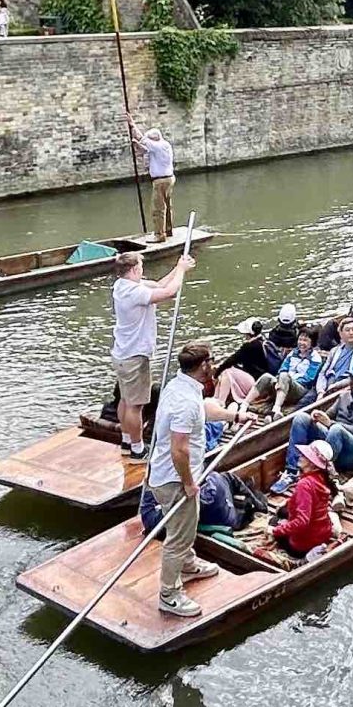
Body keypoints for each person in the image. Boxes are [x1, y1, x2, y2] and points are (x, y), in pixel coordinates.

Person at [150, 342, 223, 617]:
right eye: (212, 361)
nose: (214, 365)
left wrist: (234, 415)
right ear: (203, 365)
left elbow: (202, 412)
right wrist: (189, 483)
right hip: (174, 480)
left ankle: (189, 565)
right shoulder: (185, 402)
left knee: (186, 527)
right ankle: (168, 594)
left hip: (165, 475)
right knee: (179, 537)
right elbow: (178, 448)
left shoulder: (178, 386)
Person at [111, 243, 195, 456]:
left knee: (125, 399)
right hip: (134, 356)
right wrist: (183, 272)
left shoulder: (121, 285)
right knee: (136, 405)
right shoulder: (134, 292)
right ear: (134, 269)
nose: (142, 270)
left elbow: (158, 285)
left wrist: (178, 267)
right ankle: (137, 449)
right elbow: (169, 292)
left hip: (122, 353)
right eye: (140, 266)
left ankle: (126, 440)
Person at [286, 362, 353, 476]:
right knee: (301, 418)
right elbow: (329, 415)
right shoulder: (345, 395)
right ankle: (292, 470)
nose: (351, 381)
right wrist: (318, 416)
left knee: (336, 429)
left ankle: (322, 474)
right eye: (351, 377)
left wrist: (330, 423)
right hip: (332, 439)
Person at [270, 443, 336, 559]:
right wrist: (287, 503)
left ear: (313, 464)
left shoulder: (304, 484)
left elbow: (302, 521)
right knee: (282, 511)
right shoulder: (321, 478)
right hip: (323, 533)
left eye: (305, 456)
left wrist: (276, 531)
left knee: (274, 522)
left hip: (302, 545)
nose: (300, 456)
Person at [129, 121, 176, 239]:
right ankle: (168, 230)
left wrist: (132, 124)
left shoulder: (158, 146)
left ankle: (159, 235)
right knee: (167, 206)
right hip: (169, 179)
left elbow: (143, 139)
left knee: (158, 209)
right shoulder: (165, 145)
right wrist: (137, 145)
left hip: (160, 181)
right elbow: (145, 150)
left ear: (154, 140)